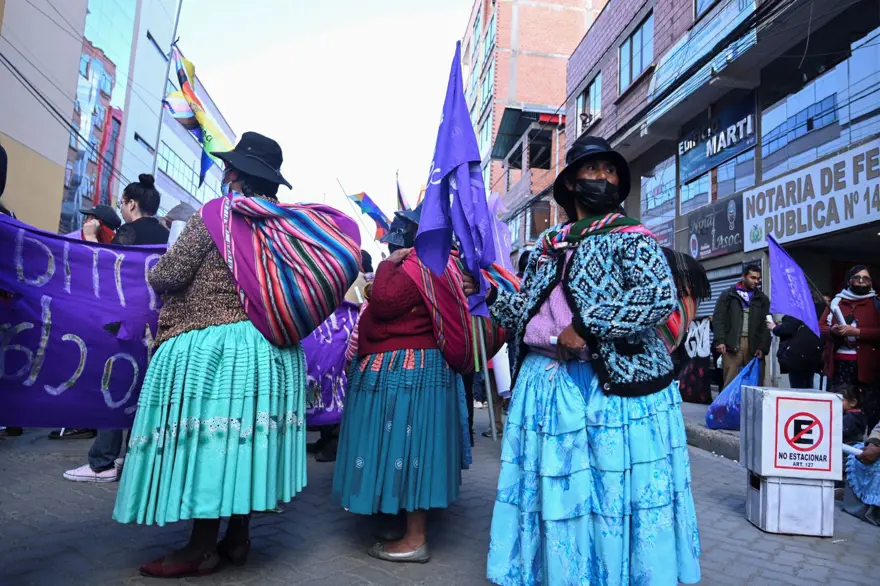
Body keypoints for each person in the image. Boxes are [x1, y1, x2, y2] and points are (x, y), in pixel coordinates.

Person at [111, 132, 360, 577]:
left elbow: (171, 272)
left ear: (232, 174)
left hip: (220, 346)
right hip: (271, 352)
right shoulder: (281, 224)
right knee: (242, 444)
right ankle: (238, 539)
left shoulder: (216, 215)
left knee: (214, 445)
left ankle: (201, 547)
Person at [469, 137, 700, 585]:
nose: (605, 180)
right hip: (549, 388)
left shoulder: (632, 238)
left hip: (616, 393)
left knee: (611, 491)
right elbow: (521, 312)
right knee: (563, 492)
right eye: (593, 171)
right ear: (571, 183)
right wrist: (488, 293)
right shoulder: (545, 246)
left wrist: (588, 325)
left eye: (611, 172)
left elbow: (657, 297)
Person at [333, 205, 471, 564]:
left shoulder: (420, 263)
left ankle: (414, 538)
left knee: (408, 453)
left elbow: (384, 302)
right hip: (420, 369)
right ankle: (402, 526)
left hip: (410, 369)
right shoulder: (446, 262)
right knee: (406, 451)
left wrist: (388, 264)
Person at [62, 175, 169, 482]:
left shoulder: (128, 232)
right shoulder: (166, 234)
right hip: (158, 325)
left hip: (126, 325)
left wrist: (92, 237)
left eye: (122, 203)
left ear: (131, 204)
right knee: (145, 393)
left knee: (115, 389)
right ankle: (134, 459)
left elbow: (106, 270)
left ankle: (102, 462)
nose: (121, 208)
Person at [821, 266, 880, 430]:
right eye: (857, 277)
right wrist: (832, 331)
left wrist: (859, 332)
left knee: (870, 406)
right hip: (839, 366)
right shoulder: (836, 302)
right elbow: (820, 327)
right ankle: (840, 442)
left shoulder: (876, 303)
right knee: (841, 405)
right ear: (849, 280)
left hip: (869, 367)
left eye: (866, 278)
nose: (861, 281)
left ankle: (869, 446)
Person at [713, 264, 771, 388]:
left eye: (758, 279)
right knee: (730, 382)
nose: (756, 281)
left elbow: (767, 325)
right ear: (743, 276)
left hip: (754, 346)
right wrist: (719, 341)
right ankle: (727, 407)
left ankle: (752, 408)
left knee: (755, 383)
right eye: (752, 278)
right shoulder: (728, 295)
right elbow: (718, 319)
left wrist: (763, 347)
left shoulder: (762, 299)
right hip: (731, 344)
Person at [772, 310, 824, 389]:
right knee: (809, 384)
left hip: (797, 354)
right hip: (813, 353)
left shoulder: (798, 309)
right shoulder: (817, 308)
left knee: (798, 388)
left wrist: (774, 327)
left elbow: (787, 328)